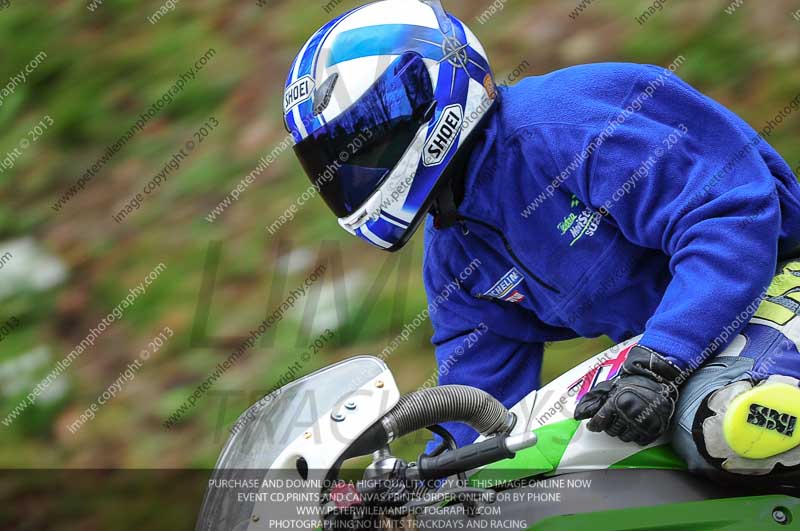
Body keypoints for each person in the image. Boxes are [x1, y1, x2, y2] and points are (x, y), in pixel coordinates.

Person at [283, 0, 800, 483]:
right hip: (681, 350)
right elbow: (480, 400)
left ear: (432, 90)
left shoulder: (562, 127)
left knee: (731, 423)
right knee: (571, 481)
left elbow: (730, 219)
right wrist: (437, 487)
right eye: (335, 154)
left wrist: (660, 363)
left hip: (777, 281)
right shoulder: (456, 250)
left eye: (366, 136)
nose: (353, 163)